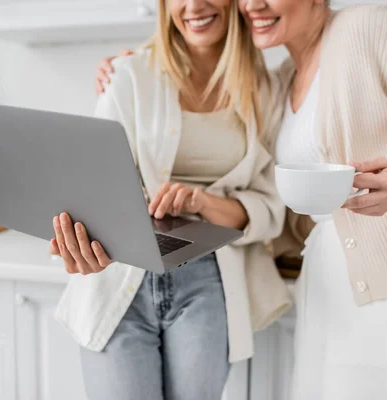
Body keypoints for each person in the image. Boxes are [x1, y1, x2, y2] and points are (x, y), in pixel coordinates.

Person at [95, 1, 387, 399]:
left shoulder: (371, 28)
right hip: (331, 292)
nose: (253, 4)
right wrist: (129, 67)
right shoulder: (280, 81)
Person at [49, 1, 292, 399]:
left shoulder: (264, 90)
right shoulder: (128, 75)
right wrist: (77, 238)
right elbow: (91, 187)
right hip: (120, 279)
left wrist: (202, 202)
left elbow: (269, 209)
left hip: (208, 280)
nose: (194, 6)